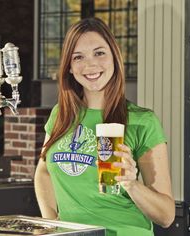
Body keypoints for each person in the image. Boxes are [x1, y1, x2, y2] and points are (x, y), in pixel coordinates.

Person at [34, 17, 175, 236]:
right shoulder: (61, 115)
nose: (90, 65)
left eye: (99, 53)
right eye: (78, 57)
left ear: (115, 58)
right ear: (69, 67)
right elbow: (43, 171)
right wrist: (52, 224)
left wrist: (131, 184)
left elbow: (166, 216)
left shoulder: (142, 121)